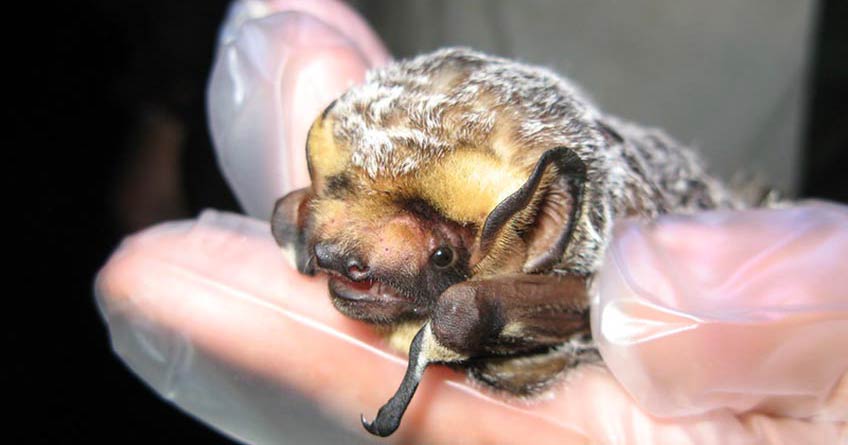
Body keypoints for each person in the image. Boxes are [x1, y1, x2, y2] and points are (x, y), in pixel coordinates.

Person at [96, 1, 847, 443]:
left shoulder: (543, 248)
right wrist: (169, 103)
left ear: (538, 227)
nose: (359, 267)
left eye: (444, 254)